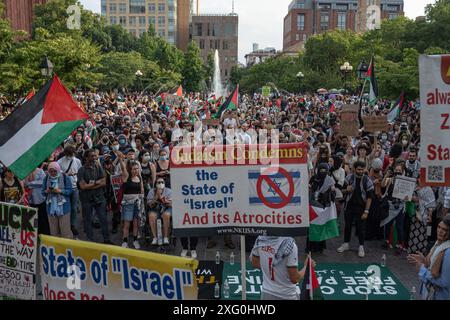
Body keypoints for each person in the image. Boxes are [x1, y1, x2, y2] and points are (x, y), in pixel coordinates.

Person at [337, 161, 374, 258]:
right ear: (354, 169)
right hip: (349, 206)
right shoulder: (348, 178)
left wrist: (366, 211)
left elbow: (370, 198)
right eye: (358, 169)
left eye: (362, 169)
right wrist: (346, 190)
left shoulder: (367, 180)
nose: (360, 171)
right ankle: (346, 244)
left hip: (361, 208)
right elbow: (341, 191)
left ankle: (361, 246)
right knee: (348, 226)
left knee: (361, 228)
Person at [408, 219, 450, 300]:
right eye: (439, 227)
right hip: (429, 293)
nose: (440, 231)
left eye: (444, 229)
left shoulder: (448, 252)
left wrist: (422, 270)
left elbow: (444, 282)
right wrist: (424, 260)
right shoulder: (439, 243)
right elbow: (432, 265)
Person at [77, 149, 113, 244]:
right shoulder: (81, 170)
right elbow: (83, 186)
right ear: (86, 158)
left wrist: (92, 185)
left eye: (94, 156)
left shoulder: (98, 167)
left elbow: (104, 182)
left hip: (99, 198)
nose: (94, 158)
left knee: (103, 219)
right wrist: (97, 183)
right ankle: (90, 242)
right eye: (91, 156)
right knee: (88, 220)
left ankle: (107, 240)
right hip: (86, 199)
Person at [380, 163, 408, 252]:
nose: (398, 172)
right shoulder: (390, 179)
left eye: (400, 170)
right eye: (396, 170)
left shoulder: (406, 181)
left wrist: (407, 198)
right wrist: (386, 175)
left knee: (399, 226)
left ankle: (400, 244)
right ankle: (386, 240)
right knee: (388, 224)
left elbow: (408, 195)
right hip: (390, 204)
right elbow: (383, 185)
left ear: (403, 171)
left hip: (400, 206)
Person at [42, 162, 73, 239]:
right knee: (54, 232)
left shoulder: (65, 177)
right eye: (51, 171)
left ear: (58, 170)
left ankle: (66, 248)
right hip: (50, 208)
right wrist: (47, 191)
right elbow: (42, 192)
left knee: (65, 231)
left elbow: (70, 191)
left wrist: (60, 191)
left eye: (55, 171)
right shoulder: (46, 178)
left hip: (64, 208)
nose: (52, 173)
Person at [57, 145, 83, 238]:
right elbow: (57, 175)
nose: (71, 156)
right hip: (64, 188)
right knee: (65, 208)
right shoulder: (59, 162)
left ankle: (73, 225)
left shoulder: (77, 161)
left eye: (72, 154)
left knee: (74, 208)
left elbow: (80, 172)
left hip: (75, 187)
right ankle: (65, 225)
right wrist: (67, 174)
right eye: (69, 154)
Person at [119, 157, 144, 249]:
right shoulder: (126, 176)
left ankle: (135, 240)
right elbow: (123, 168)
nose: (136, 170)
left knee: (136, 223)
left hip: (137, 204)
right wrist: (120, 158)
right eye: (134, 169)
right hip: (128, 204)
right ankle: (125, 241)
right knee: (127, 223)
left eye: (137, 169)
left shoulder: (139, 178)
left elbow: (141, 191)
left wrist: (142, 204)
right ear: (130, 169)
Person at [24, 167, 50, 235]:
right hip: (30, 200)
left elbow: (43, 182)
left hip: (40, 199)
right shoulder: (26, 172)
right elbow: (24, 183)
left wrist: (30, 184)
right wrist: (32, 184)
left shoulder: (40, 171)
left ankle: (45, 234)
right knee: (33, 219)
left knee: (43, 218)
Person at [147, 178, 172, 245]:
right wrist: (156, 196)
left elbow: (171, 204)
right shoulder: (151, 191)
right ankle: (155, 238)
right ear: (155, 184)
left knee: (166, 215)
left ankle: (166, 237)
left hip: (166, 208)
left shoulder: (169, 191)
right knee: (151, 216)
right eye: (158, 182)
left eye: (162, 182)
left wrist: (161, 197)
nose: (160, 183)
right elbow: (150, 205)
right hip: (155, 209)